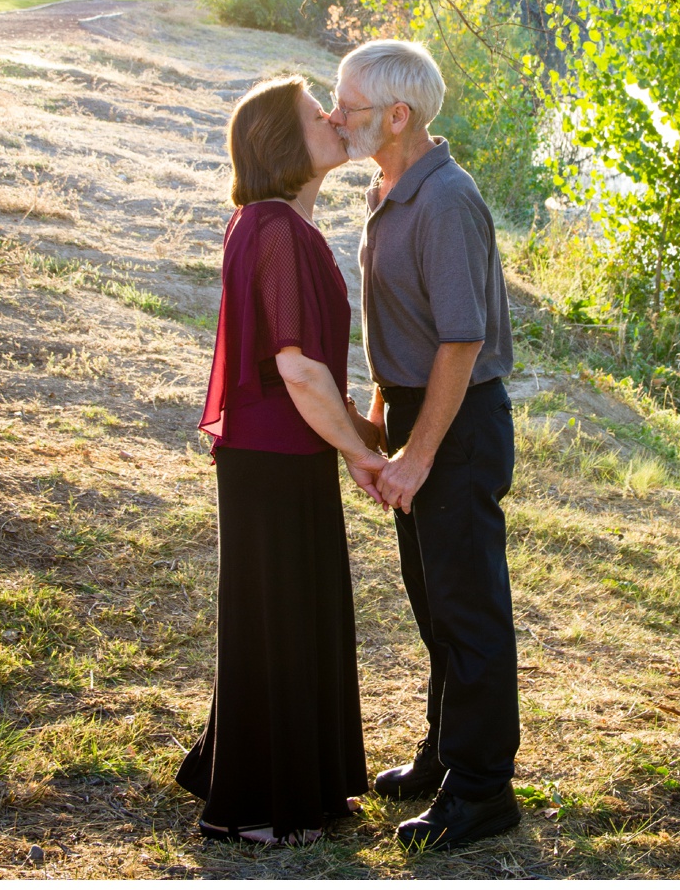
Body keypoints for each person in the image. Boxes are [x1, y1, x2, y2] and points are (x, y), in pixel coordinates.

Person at [178, 75, 390, 846]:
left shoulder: (273, 223)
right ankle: (258, 805)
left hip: (280, 454)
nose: (333, 117)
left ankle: (301, 783)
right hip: (272, 458)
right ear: (281, 144)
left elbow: (310, 372)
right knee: (281, 619)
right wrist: (360, 453)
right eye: (315, 113)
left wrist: (355, 441)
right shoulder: (272, 227)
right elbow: (298, 369)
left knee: (293, 616)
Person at [328, 39, 522, 851]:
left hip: (459, 422)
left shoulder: (446, 200)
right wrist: (381, 417)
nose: (335, 117)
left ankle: (483, 790)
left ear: (396, 115)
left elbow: (459, 342)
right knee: (434, 604)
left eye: (348, 105)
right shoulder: (389, 185)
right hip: (415, 412)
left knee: (469, 611)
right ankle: (445, 755)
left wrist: (419, 453)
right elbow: (400, 325)